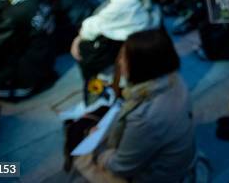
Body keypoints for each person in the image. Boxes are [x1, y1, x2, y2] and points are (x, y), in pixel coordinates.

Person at [70, 29, 196, 183]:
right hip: (175, 162)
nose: (119, 61)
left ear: (141, 65)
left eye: (124, 57)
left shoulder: (145, 117)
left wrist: (98, 148)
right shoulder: (173, 78)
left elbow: (121, 167)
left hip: (158, 176)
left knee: (81, 159)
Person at [71, 0, 162, 85]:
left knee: (85, 48)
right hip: (136, 55)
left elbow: (89, 28)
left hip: (128, 65)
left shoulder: (124, 5)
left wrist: (78, 39)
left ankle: (98, 92)